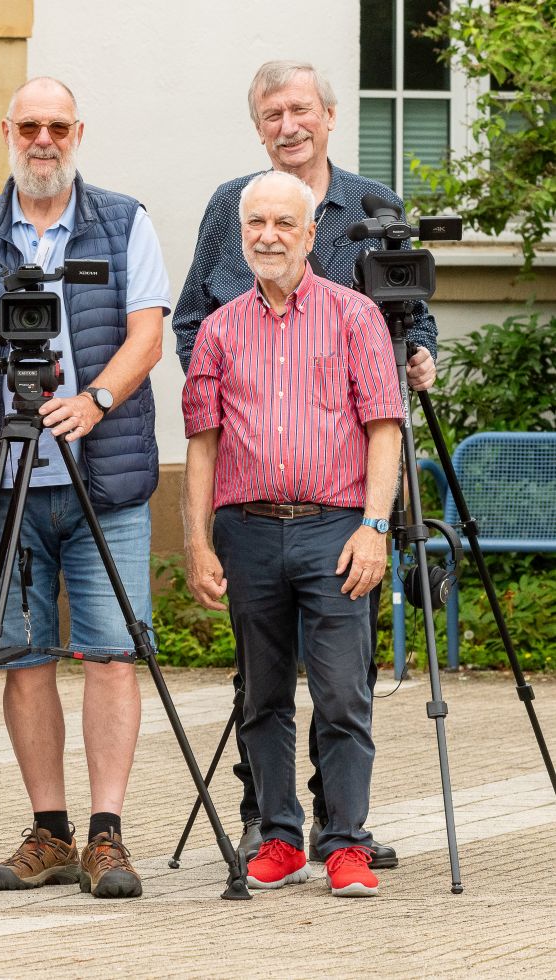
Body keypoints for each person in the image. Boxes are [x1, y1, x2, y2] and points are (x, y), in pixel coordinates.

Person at [172, 60, 435, 868]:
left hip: (340, 503)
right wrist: (226, 376)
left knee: (341, 682)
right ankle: (271, 823)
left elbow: (412, 319)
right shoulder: (230, 204)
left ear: (327, 116)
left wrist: (416, 355)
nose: (288, 123)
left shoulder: (372, 204)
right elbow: (192, 319)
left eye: (300, 110)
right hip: (251, 501)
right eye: (271, 112)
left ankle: (344, 828)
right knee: (262, 687)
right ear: (259, 125)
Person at [0, 76, 169, 899]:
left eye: (58, 127)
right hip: (6, 479)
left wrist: (94, 400)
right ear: (7, 132)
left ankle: (107, 834)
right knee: (23, 659)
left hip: (104, 476)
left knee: (110, 656)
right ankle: (50, 830)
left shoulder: (125, 220)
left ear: (78, 132)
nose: (43, 140)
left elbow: (148, 334)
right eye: (29, 126)